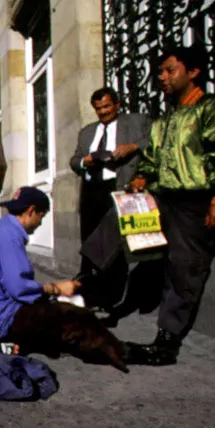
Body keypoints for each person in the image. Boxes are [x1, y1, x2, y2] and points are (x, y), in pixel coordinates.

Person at [124, 45, 215, 366]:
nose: (163, 78)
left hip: (194, 203)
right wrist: (143, 177)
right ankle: (89, 282)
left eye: (170, 70)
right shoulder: (165, 120)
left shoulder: (212, 110)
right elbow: (152, 159)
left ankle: (166, 344)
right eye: (160, 72)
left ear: (193, 72)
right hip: (164, 200)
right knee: (135, 242)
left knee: (184, 269)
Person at [0, 187, 80, 346]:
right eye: (41, 217)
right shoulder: (9, 236)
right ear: (31, 211)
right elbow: (19, 288)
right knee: (68, 315)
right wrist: (56, 288)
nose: (40, 223)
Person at [69, 87, 151, 308]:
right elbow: (74, 160)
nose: (103, 112)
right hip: (90, 191)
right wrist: (84, 161)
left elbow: (155, 142)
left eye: (106, 107)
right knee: (90, 244)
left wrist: (132, 147)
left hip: (116, 189)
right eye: (98, 109)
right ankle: (90, 294)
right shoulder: (87, 132)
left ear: (117, 104)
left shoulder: (136, 122)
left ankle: (111, 298)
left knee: (113, 246)